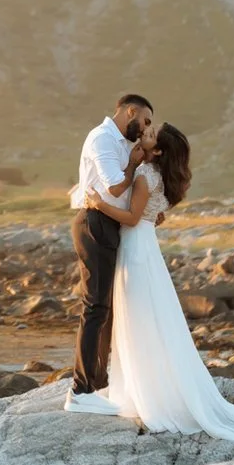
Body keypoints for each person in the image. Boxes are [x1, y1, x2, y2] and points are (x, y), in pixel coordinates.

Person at [90, 122, 234, 443]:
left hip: (136, 249)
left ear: (157, 150)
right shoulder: (158, 174)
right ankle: (144, 389)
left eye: (149, 135)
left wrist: (99, 205)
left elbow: (132, 218)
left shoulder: (146, 175)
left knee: (139, 320)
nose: (143, 134)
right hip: (146, 246)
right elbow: (151, 216)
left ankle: (144, 394)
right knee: (148, 319)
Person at [61, 93, 151, 411]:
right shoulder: (102, 138)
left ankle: (97, 385)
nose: (146, 128)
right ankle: (80, 391)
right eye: (145, 120)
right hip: (94, 222)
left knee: (105, 308)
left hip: (106, 223)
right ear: (130, 112)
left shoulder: (122, 142)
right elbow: (113, 187)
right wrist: (133, 164)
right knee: (95, 307)